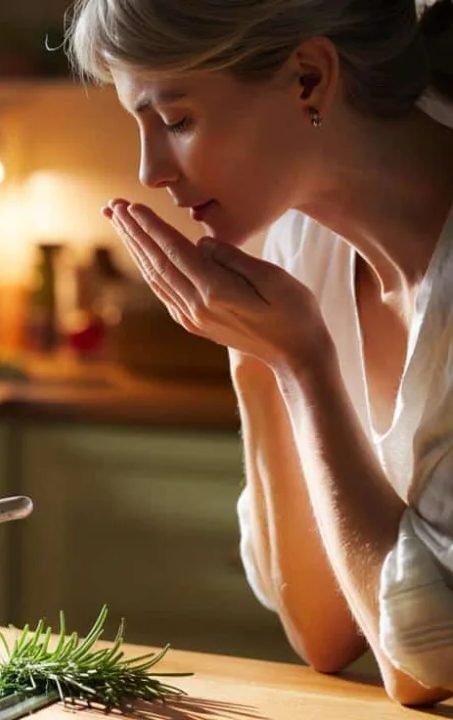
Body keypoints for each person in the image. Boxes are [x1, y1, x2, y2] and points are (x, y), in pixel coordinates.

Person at [64, 0, 453, 707]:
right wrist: (256, 355)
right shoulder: (302, 244)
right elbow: (324, 632)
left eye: (176, 120)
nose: (149, 171)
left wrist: (304, 366)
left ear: (308, 78)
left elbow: (429, 665)